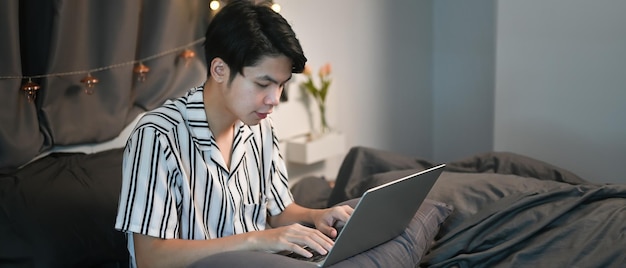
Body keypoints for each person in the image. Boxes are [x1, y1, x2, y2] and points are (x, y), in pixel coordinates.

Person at [114, 1, 353, 267]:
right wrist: (256, 239)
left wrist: (317, 215)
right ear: (219, 70)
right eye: (263, 83)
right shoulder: (158, 136)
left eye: (281, 85)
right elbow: (150, 258)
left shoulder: (261, 127)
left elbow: (278, 210)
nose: (275, 99)